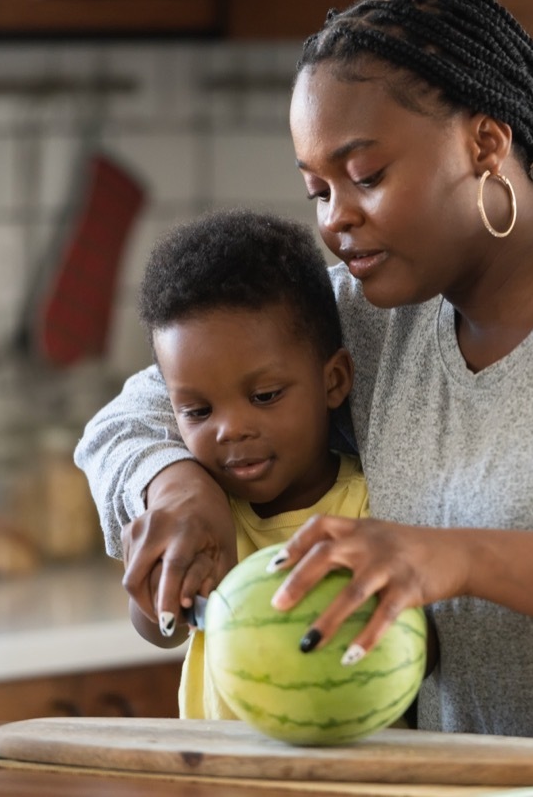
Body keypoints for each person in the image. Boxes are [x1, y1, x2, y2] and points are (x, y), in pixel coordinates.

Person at [76, 0, 533, 759]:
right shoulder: (376, 318)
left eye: (365, 174)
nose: (336, 220)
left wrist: (459, 558)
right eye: (318, 190)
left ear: (484, 143)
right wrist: (178, 485)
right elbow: (134, 414)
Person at [123, 208, 367, 720]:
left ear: (334, 381)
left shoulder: (370, 511)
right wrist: (155, 587)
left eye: (265, 395)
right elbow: (160, 634)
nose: (228, 429)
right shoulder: (207, 516)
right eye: (197, 410)